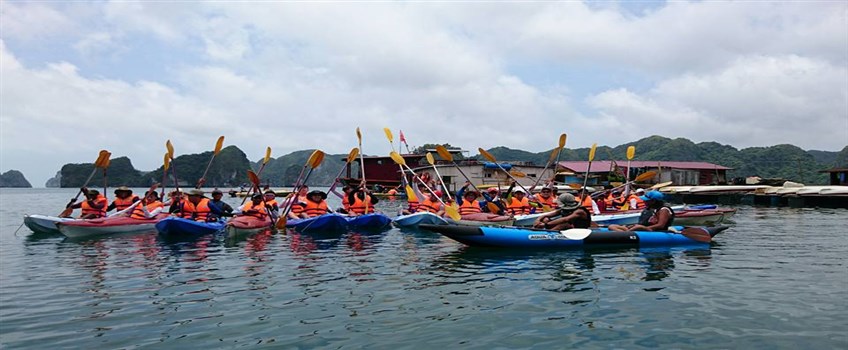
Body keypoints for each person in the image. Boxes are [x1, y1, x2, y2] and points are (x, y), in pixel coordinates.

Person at [609, 190, 675, 232]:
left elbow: (661, 225)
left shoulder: (664, 210)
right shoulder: (651, 209)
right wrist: (636, 225)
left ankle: (626, 234)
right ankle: (623, 234)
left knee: (638, 227)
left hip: (655, 231)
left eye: (646, 200)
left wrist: (643, 227)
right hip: (644, 228)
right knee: (612, 226)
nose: (644, 201)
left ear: (653, 201)